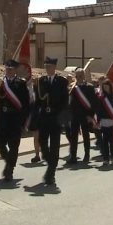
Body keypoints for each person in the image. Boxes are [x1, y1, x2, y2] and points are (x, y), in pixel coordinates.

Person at [0, 60, 30, 182]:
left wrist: (23, 120)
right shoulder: (1, 82)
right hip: (3, 117)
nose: (9, 71)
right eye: (7, 69)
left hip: (15, 118)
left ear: (15, 70)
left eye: (11, 69)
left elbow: (25, 104)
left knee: (13, 145)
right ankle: (9, 162)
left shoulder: (20, 84)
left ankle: (10, 170)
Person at [34, 57, 69, 185]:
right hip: (44, 116)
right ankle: (49, 160)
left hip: (56, 117)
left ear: (54, 67)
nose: (47, 68)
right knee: (42, 142)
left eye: (49, 66)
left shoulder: (61, 82)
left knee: (54, 146)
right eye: (46, 66)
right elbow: (37, 102)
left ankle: (51, 173)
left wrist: (64, 119)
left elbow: (65, 102)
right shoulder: (40, 82)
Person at [67, 68, 98, 164]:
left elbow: (94, 102)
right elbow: (69, 101)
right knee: (73, 137)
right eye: (77, 76)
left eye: (81, 76)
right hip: (74, 115)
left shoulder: (89, 87)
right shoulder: (73, 87)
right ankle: (73, 156)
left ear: (84, 76)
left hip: (85, 115)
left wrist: (91, 115)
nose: (79, 77)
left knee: (85, 135)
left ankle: (87, 155)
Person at [96, 79, 113, 165]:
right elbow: (99, 110)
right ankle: (105, 158)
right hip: (104, 121)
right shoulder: (101, 98)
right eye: (104, 87)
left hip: (112, 121)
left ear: (110, 87)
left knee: (112, 141)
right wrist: (98, 121)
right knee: (104, 141)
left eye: (107, 87)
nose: (106, 89)